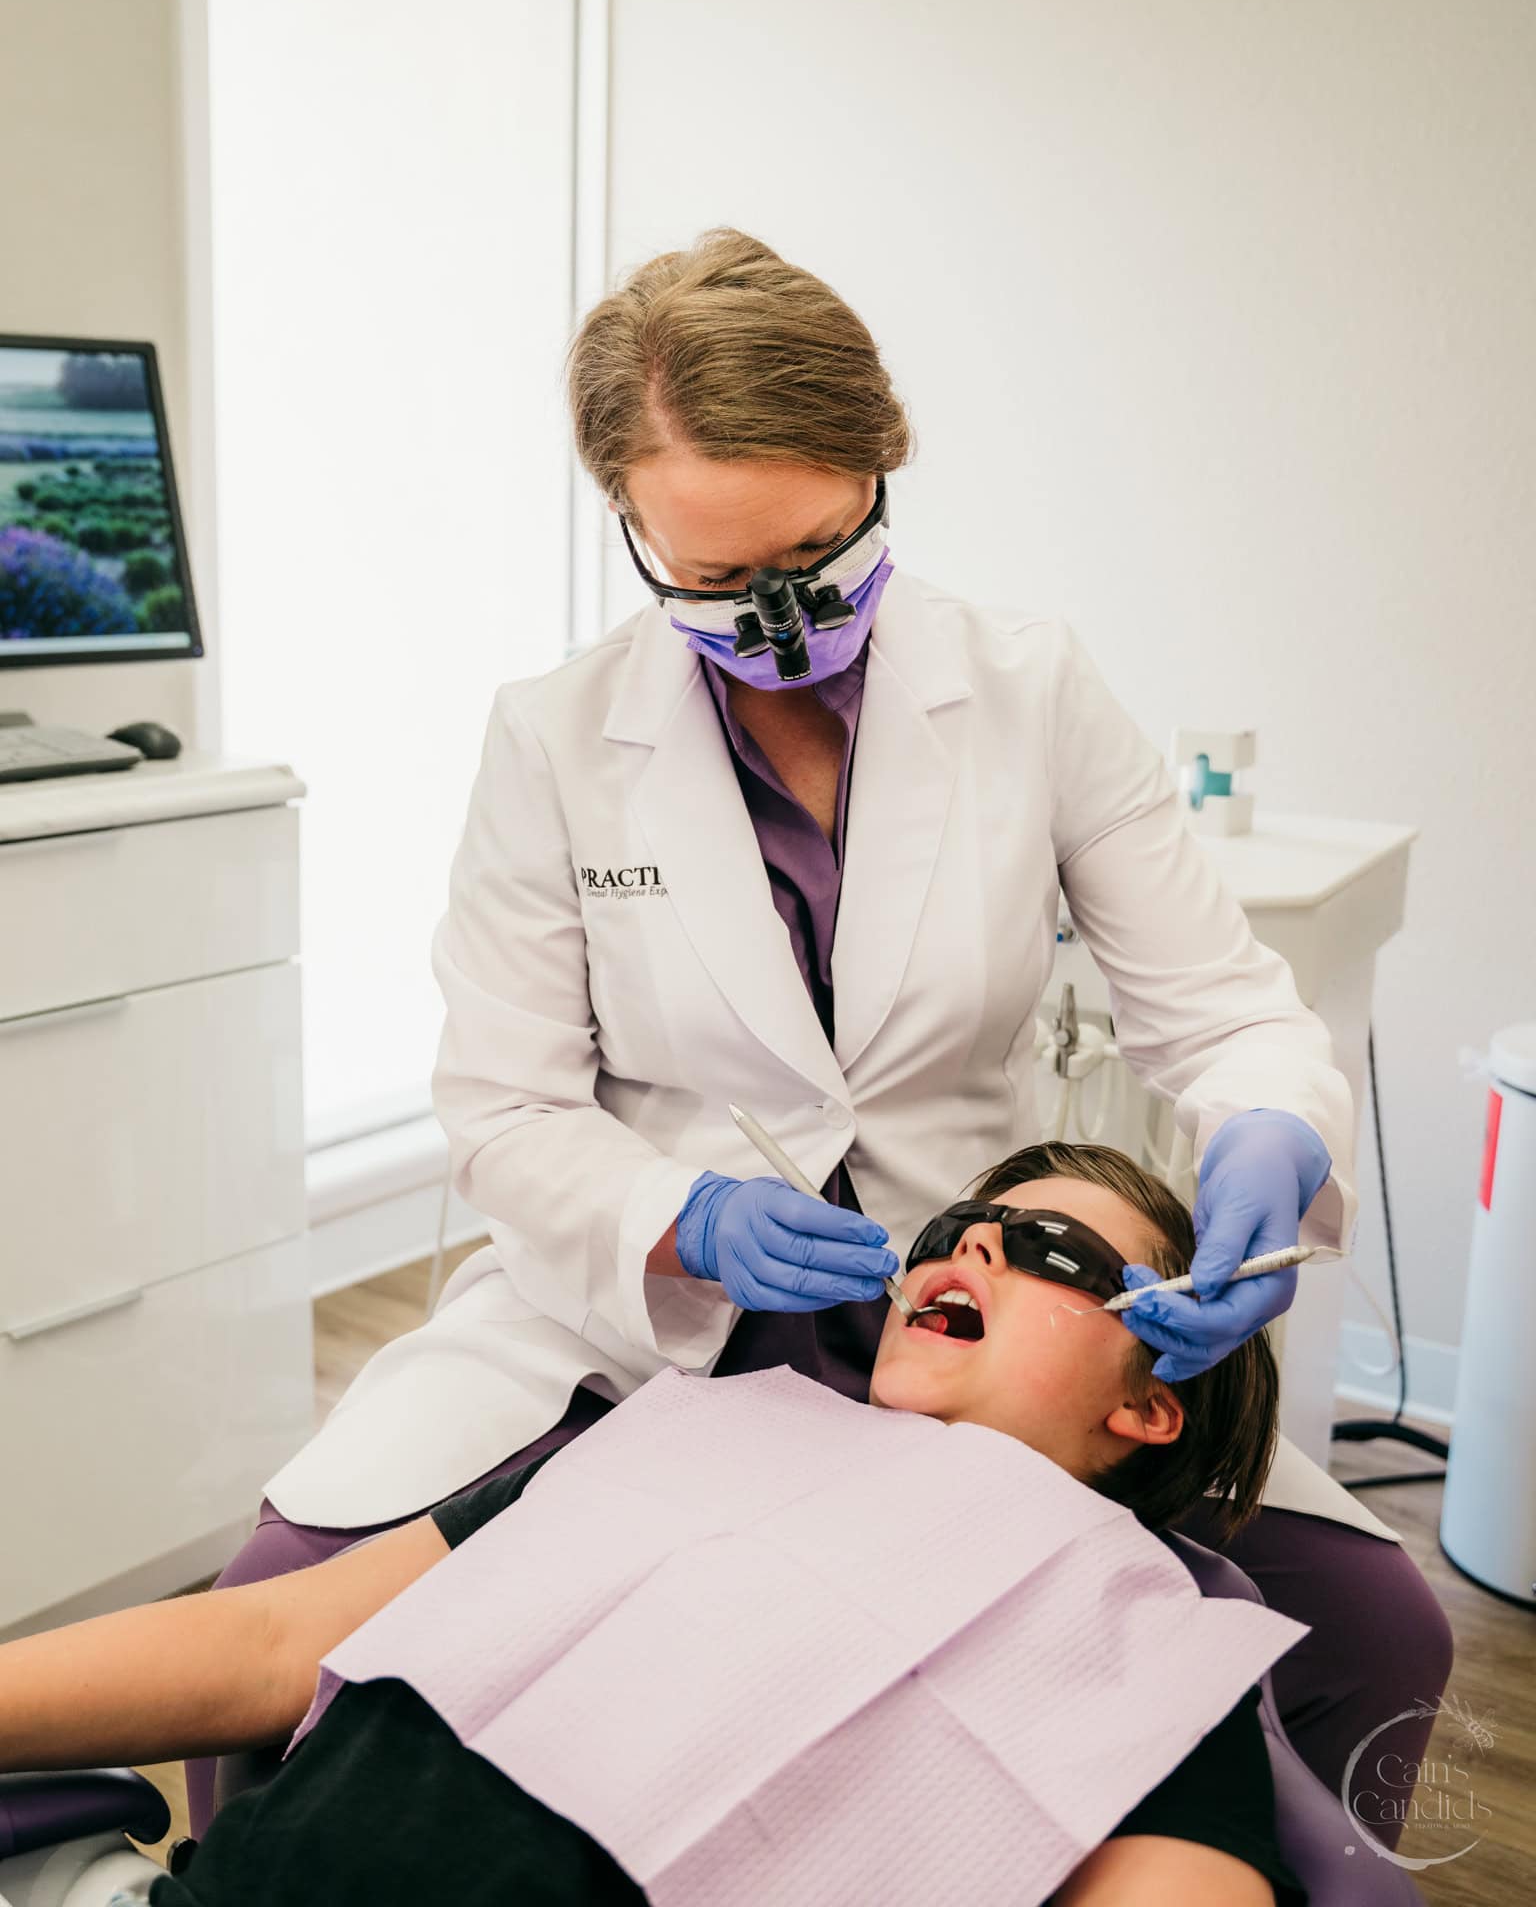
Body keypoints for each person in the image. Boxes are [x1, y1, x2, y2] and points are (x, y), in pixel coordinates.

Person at [186, 227, 1450, 1836]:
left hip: (955, 1310)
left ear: (882, 469)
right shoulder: (558, 739)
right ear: (630, 529)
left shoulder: (1029, 688)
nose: (780, 619)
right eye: (714, 580)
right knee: (284, 1598)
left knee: (1376, 1623)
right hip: (642, 1315)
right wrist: (678, 1214)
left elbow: (1225, 1013)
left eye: (820, 552)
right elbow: (503, 1105)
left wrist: (1273, 1125)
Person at [6, 1148, 1313, 1906]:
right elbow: (271, 1641)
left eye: (1052, 1255)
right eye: (958, 1229)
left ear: (1155, 1403)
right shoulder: (685, 1433)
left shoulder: (1153, 1657)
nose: (967, 1253)